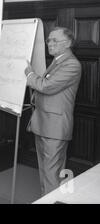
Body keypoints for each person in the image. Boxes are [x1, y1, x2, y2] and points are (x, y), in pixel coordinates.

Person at [25, 27, 82, 196]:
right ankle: (47, 199)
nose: (50, 43)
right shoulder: (57, 61)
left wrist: (30, 75)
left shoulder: (72, 64)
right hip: (43, 124)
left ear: (68, 43)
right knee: (45, 172)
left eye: (54, 40)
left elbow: (46, 86)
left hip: (55, 128)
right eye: (49, 40)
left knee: (52, 175)